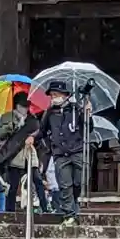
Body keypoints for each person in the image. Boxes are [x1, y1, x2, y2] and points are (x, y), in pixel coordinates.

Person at [37, 80, 87, 224]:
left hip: (77, 151)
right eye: (52, 95)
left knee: (78, 182)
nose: (53, 98)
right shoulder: (49, 112)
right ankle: (69, 214)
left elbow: (88, 129)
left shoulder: (76, 109)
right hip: (60, 153)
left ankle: (74, 205)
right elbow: (42, 131)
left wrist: (87, 114)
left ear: (65, 95)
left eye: (56, 94)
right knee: (65, 185)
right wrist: (32, 138)